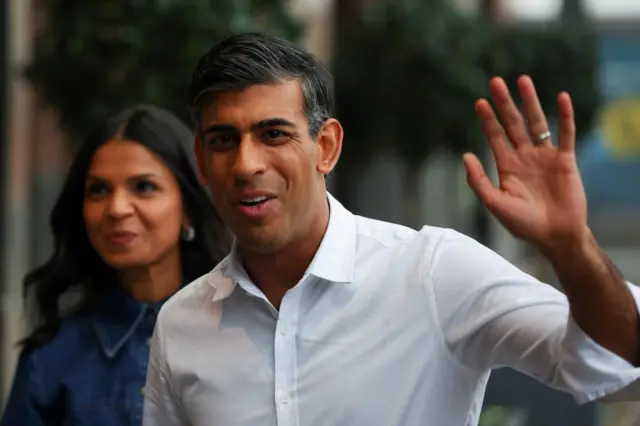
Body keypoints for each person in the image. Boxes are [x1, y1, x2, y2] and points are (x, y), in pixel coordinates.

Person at [143, 33, 640, 426]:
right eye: (224, 140)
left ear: (327, 147)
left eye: (274, 134)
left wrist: (573, 247)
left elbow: (613, 362)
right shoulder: (182, 325)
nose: (247, 163)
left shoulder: (430, 273)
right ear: (203, 162)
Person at [1, 105, 231, 426]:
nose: (116, 209)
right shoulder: (51, 358)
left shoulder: (245, 334)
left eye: (144, 187)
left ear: (188, 210)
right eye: (99, 190)